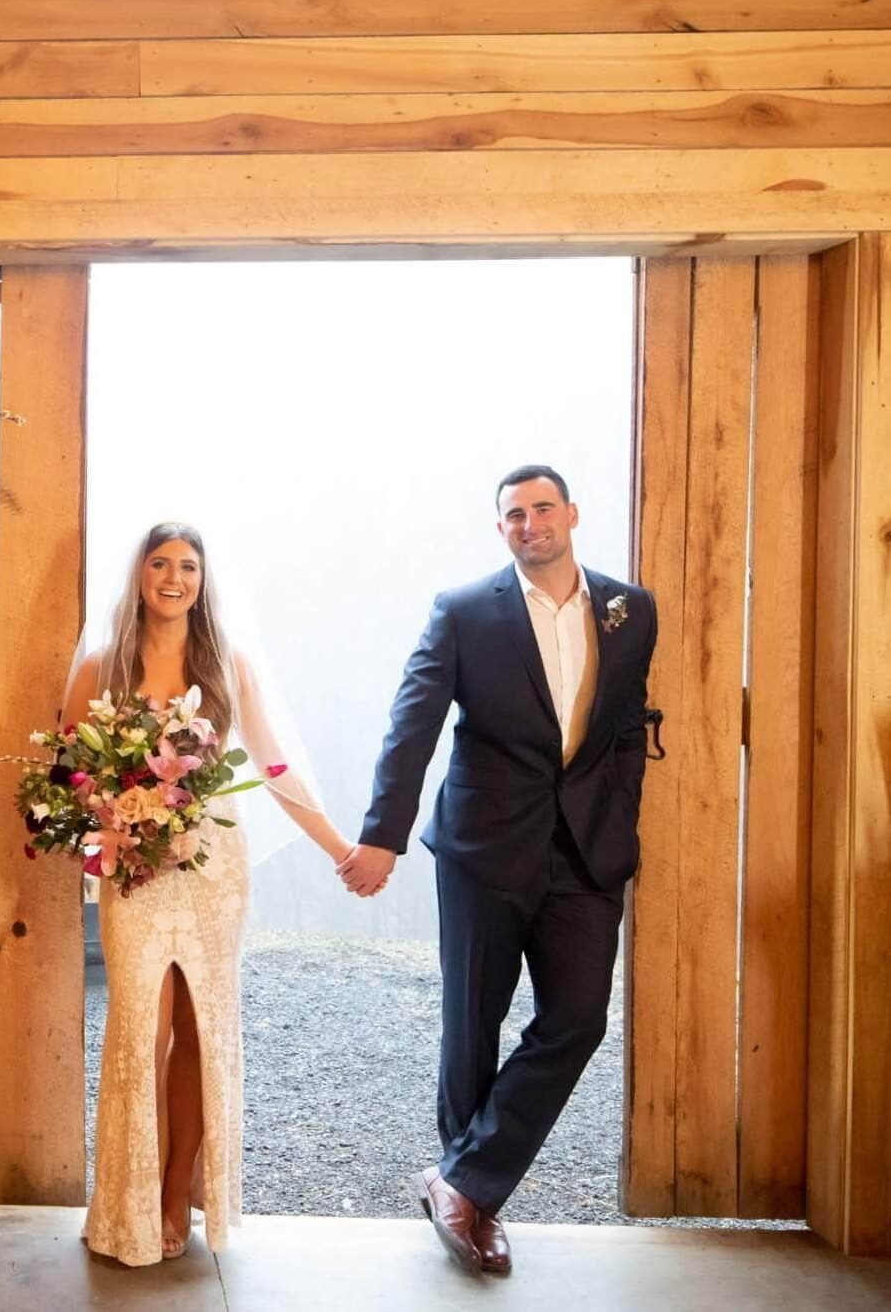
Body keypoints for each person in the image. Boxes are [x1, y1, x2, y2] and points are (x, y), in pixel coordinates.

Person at [339, 465, 658, 1276]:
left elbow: (627, 723)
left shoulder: (628, 609)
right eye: (513, 514)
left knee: (578, 1017)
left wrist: (618, 810)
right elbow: (411, 726)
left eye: (541, 507)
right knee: (471, 1023)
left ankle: (459, 1181)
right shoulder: (462, 612)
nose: (529, 523)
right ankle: (472, 1198)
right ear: (500, 529)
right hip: (483, 847)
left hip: (585, 851)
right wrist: (382, 835)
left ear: (570, 514)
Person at [72, 522, 355, 1266]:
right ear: (139, 576)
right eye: (160, 563)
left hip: (212, 868)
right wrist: (116, 820)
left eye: (188, 566)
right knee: (142, 1030)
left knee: (199, 1030)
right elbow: (70, 775)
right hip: (135, 870)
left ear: (203, 581)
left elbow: (275, 766)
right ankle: (128, 1204)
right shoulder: (102, 667)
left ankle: (175, 1194)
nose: (174, 577)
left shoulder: (227, 664)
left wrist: (340, 849)